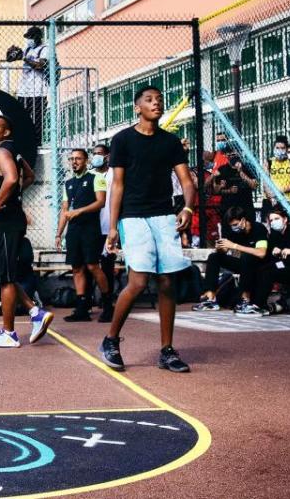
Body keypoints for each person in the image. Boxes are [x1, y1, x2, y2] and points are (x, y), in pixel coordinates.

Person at [100, 85, 196, 373]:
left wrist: (188, 208)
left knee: (167, 283)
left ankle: (167, 351)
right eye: (149, 100)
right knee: (139, 282)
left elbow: (187, 181)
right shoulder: (122, 140)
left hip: (164, 216)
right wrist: (113, 227)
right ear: (137, 107)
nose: (156, 104)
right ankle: (111, 339)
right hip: (133, 217)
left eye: (159, 100)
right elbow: (117, 185)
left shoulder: (170, 142)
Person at [0, 114, 53, 348]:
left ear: (6, 132)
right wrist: (14, 195)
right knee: (5, 275)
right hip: (12, 220)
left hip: (3, 221)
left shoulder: (1, 152)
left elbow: (11, 179)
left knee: (5, 279)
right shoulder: (13, 151)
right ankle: (34, 313)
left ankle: (9, 333)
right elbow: (28, 176)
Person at [56, 149, 113, 323]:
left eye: (78, 158)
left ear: (86, 161)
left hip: (91, 229)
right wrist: (58, 234)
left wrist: (79, 211)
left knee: (93, 266)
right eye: (72, 159)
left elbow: (101, 202)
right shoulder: (68, 183)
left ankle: (108, 305)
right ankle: (82, 308)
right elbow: (65, 211)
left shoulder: (97, 178)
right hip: (74, 231)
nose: (74, 161)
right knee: (77, 268)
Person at [194, 206, 270, 314]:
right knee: (214, 257)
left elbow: (261, 253)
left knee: (247, 257)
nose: (234, 228)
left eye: (235, 224)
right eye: (232, 226)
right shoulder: (234, 232)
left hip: (259, 265)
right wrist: (221, 249)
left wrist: (234, 246)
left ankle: (245, 299)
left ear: (243, 220)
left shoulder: (258, 228)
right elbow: (230, 251)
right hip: (244, 263)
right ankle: (210, 298)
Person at [92, 144, 119, 298]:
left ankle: (107, 301)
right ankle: (87, 302)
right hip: (92, 227)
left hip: (109, 226)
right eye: (94, 153)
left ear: (107, 156)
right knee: (90, 265)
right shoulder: (90, 174)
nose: (97, 156)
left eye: (100, 153)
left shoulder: (115, 174)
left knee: (107, 265)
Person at [15, 26, 48, 139]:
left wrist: (24, 59)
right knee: (19, 117)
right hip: (24, 90)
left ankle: (36, 143)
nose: (29, 39)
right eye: (28, 37)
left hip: (38, 90)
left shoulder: (44, 49)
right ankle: (22, 139)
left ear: (37, 37)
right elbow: (10, 58)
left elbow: (40, 65)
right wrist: (13, 53)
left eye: (31, 37)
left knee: (37, 120)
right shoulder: (27, 49)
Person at [263, 136, 290, 217]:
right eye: (277, 148)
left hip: (289, 200)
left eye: (282, 148)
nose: (279, 150)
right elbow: (265, 183)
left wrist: (279, 191)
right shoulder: (268, 162)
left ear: (286, 149)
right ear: (273, 148)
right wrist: (271, 197)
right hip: (270, 200)